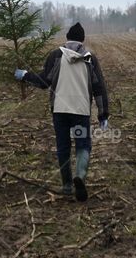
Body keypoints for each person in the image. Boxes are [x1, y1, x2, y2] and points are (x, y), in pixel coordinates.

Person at [14, 22, 109, 201]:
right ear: (82, 40)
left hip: (60, 111)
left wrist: (25, 75)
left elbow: (43, 81)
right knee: (83, 145)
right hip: (81, 112)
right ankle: (80, 176)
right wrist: (103, 114)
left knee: (63, 147)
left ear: (67, 38)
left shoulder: (56, 56)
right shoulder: (90, 59)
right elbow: (99, 88)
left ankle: (66, 186)